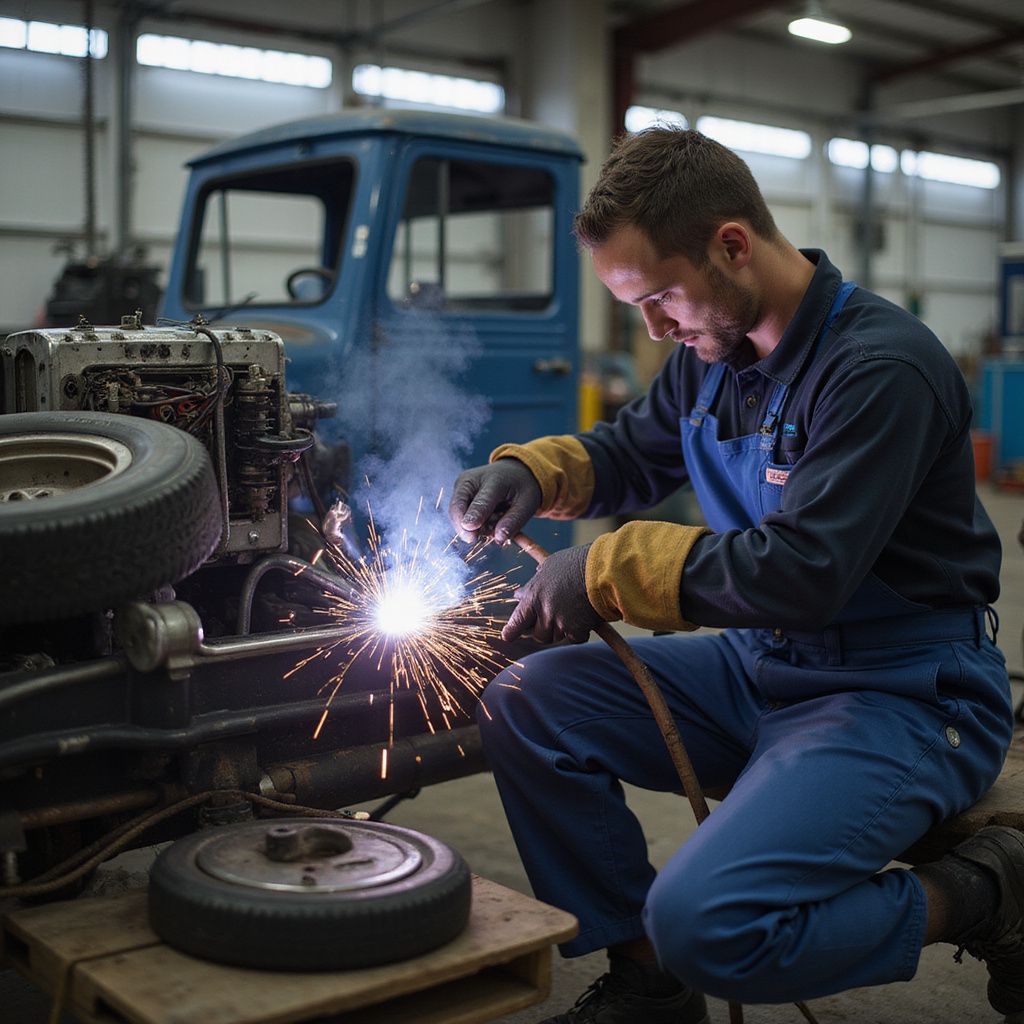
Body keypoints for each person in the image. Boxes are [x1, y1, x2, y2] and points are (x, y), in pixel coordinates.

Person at [448, 128, 1022, 1024]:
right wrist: (536, 472)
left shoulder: (880, 367)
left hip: (900, 692)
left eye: (663, 297)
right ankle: (650, 984)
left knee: (711, 923)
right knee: (530, 699)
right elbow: (632, 454)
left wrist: (602, 566)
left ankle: (988, 897)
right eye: (636, 307)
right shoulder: (710, 355)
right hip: (762, 667)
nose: (655, 327)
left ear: (732, 244)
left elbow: (802, 573)